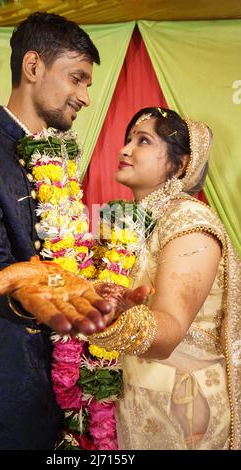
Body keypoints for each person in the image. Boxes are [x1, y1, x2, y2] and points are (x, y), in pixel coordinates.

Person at [0, 12, 112, 450]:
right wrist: (34, 286)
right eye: (77, 79)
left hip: (60, 391)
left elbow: (66, 257)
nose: (85, 97)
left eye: (88, 84)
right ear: (32, 67)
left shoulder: (60, 156)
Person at [90, 107, 241, 450]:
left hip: (183, 404)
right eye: (128, 140)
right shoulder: (128, 224)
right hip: (140, 397)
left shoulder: (187, 219)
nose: (125, 150)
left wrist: (117, 317)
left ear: (182, 163)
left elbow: (170, 328)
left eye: (143, 141)